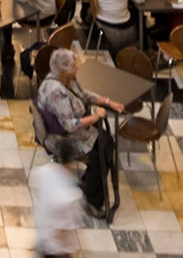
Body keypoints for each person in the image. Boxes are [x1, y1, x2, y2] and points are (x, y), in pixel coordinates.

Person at [36, 48, 127, 213]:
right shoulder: (57, 93)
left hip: (74, 128)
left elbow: (83, 94)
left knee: (106, 143)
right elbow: (69, 125)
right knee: (103, 150)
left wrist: (108, 102)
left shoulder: (68, 80)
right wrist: (96, 117)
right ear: (63, 71)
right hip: (62, 138)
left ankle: (90, 181)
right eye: (73, 67)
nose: (76, 69)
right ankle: (92, 200)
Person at [30, 135, 90, 258]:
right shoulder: (70, 196)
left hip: (41, 241)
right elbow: (60, 238)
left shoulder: (44, 172)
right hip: (56, 252)